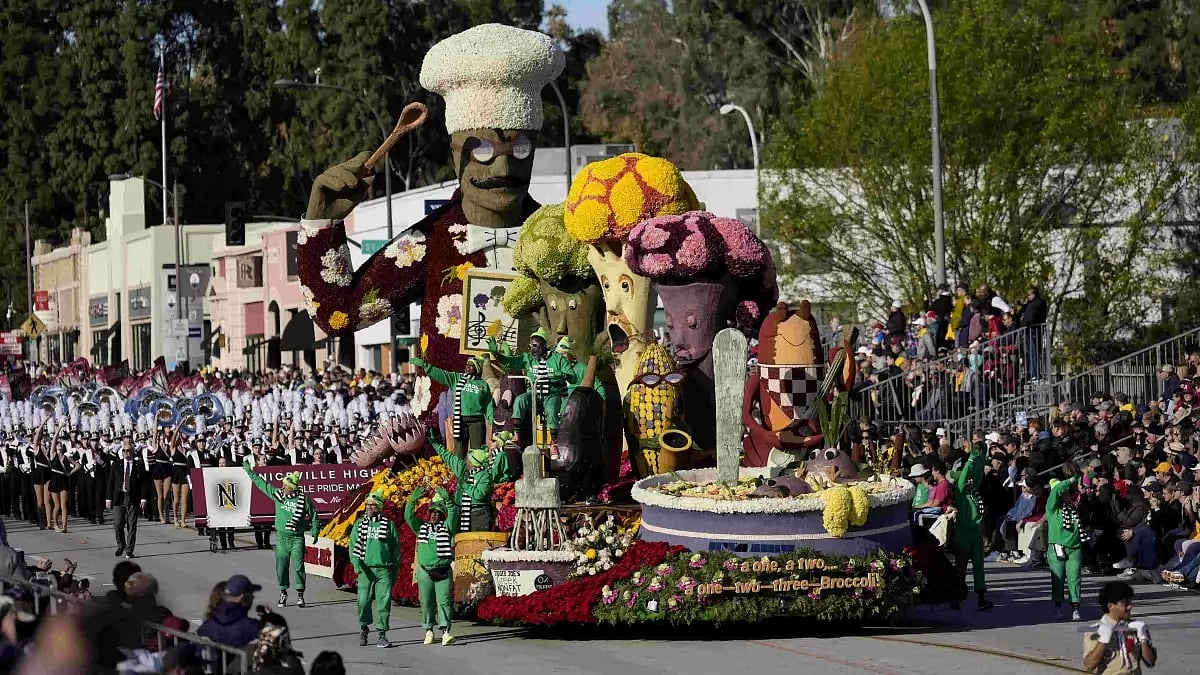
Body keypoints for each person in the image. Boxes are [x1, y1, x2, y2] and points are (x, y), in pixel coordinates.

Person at [243, 461, 320, 608]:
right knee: (281, 567)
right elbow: (261, 484)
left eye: (286, 486)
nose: (283, 487)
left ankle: (300, 594)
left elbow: (314, 515)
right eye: (283, 485)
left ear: (292, 488)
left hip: (297, 538)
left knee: (298, 567)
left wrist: (316, 530)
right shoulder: (278, 495)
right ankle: (283, 592)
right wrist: (249, 472)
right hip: (281, 538)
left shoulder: (304, 500)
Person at [410, 354, 492, 458]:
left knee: (479, 454)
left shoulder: (483, 384)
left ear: (477, 368)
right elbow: (441, 374)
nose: (467, 367)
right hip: (460, 420)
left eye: (471, 365)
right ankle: (459, 473)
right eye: (467, 364)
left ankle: (479, 473)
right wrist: (427, 366)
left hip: (477, 421)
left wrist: (492, 419)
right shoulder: (456, 378)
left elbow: (488, 404)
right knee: (459, 453)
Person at [405, 486, 458, 646]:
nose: (433, 514)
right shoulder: (421, 527)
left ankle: (445, 632)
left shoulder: (447, 528)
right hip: (425, 571)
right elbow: (408, 516)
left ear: (442, 515)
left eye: (437, 512)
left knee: (444, 602)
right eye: (431, 512)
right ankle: (428, 630)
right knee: (426, 602)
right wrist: (413, 500)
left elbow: (454, 514)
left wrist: (448, 500)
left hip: (443, 571)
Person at [949, 435, 995, 611]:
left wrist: (980, 453)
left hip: (975, 535)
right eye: (967, 479)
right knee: (960, 569)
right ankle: (956, 598)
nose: (970, 480)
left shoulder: (974, 491)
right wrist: (972, 457)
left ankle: (981, 598)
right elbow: (968, 472)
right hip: (963, 535)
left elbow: (976, 473)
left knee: (979, 568)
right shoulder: (961, 493)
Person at [350, 490, 400, 648]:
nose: (369, 507)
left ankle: (382, 634)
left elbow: (396, 550)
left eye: (373, 505)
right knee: (363, 602)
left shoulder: (388, 525)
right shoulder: (360, 524)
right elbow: (352, 547)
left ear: (379, 507)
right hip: (365, 570)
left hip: (384, 570)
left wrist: (395, 571)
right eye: (367, 505)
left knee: (383, 604)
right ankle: (364, 628)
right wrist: (356, 564)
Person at [431, 436, 507, 532]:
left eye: (469, 459)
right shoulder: (463, 469)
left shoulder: (485, 476)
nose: (466, 460)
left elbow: (479, 495)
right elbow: (449, 457)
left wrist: (465, 486)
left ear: (473, 462)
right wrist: (435, 444)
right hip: (461, 513)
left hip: (479, 514)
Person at [1082, 581, 1156, 673]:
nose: (1130, 607)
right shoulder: (1094, 631)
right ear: (1110, 606)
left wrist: (1143, 639)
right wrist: (1102, 641)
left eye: (1130, 602)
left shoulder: (1136, 628)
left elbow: (1150, 662)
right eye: (1125, 604)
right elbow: (1089, 666)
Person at [1047, 463, 1083, 621]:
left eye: (1068, 491)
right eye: (1064, 491)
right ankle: (1057, 607)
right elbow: (1056, 490)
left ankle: (1075, 608)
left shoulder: (1072, 507)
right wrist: (1070, 479)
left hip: (1074, 547)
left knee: (1075, 577)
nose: (1067, 493)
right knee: (1058, 578)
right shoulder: (1052, 509)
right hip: (1057, 547)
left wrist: (1077, 476)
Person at [106, 437, 146, 559]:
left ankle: (129, 550)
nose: (126, 453)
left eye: (128, 450)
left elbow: (143, 483)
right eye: (124, 450)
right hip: (119, 497)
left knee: (132, 525)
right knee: (117, 523)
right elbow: (110, 481)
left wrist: (143, 498)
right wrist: (108, 498)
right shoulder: (116, 465)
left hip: (132, 497)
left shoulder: (139, 464)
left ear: (132, 451)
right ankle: (121, 545)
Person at [197, 574, 262, 648]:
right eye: (251, 594)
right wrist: (270, 621)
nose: (253, 597)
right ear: (242, 597)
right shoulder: (249, 626)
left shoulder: (208, 622)